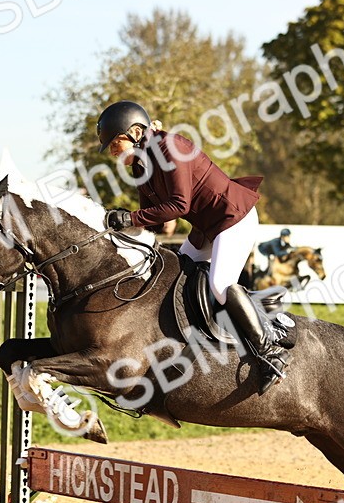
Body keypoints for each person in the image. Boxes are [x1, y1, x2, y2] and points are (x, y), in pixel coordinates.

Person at [96, 101, 286, 394]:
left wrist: (131, 218)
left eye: (115, 143)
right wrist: (126, 226)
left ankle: (270, 352)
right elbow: (156, 217)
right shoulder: (142, 165)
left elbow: (178, 205)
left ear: (135, 132)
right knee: (173, 276)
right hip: (207, 228)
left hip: (233, 217)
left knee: (221, 284)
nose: (113, 152)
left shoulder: (170, 147)